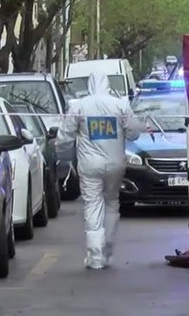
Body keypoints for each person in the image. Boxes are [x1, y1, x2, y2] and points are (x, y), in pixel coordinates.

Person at [57, 70, 145, 269]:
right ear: (107, 84)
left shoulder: (80, 106)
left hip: (89, 164)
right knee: (111, 203)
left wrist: (61, 151)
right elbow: (134, 133)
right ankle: (108, 248)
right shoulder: (120, 105)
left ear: (89, 85)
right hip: (115, 163)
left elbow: (65, 137)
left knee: (92, 205)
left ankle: (95, 256)